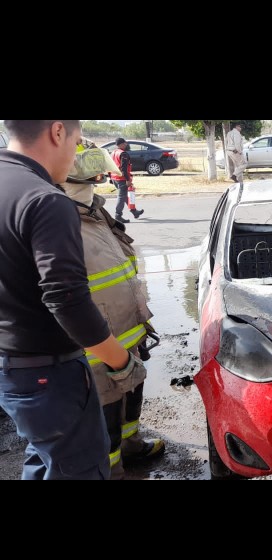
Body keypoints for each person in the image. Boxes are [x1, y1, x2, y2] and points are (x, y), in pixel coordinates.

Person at [0, 119, 142, 480]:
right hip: (49, 371)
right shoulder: (46, 199)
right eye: (77, 141)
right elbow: (66, 299)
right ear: (58, 131)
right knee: (80, 468)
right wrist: (122, 362)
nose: (74, 152)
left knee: (45, 458)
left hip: (13, 368)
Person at [61, 145, 166, 479]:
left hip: (128, 332)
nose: (97, 179)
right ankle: (112, 470)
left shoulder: (95, 212)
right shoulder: (58, 221)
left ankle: (131, 444)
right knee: (104, 411)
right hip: (97, 346)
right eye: (90, 173)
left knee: (132, 392)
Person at [109, 137, 143, 223]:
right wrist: (127, 180)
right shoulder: (123, 154)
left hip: (114, 177)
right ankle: (118, 215)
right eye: (125, 143)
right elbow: (123, 169)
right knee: (121, 197)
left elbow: (110, 166)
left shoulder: (113, 152)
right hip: (121, 178)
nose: (126, 144)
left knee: (125, 196)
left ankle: (134, 211)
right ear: (121, 144)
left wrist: (110, 177)